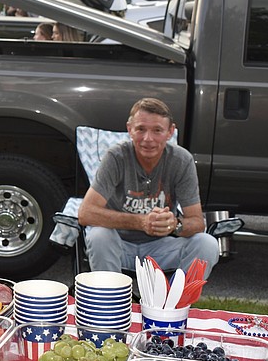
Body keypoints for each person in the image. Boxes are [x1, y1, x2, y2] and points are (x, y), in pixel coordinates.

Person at [77, 98, 220, 279]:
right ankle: (108, 302)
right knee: (99, 236)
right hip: (118, 247)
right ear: (130, 130)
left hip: (162, 248)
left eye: (157, 130)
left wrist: (174, 225)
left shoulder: (182, 160)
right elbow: (86, 214)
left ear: (170, 132)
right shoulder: (116, 157)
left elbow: (197, 223)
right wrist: (141, 222)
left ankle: (176, 303)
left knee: (207, 243)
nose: (148, 139)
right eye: (141, 129)